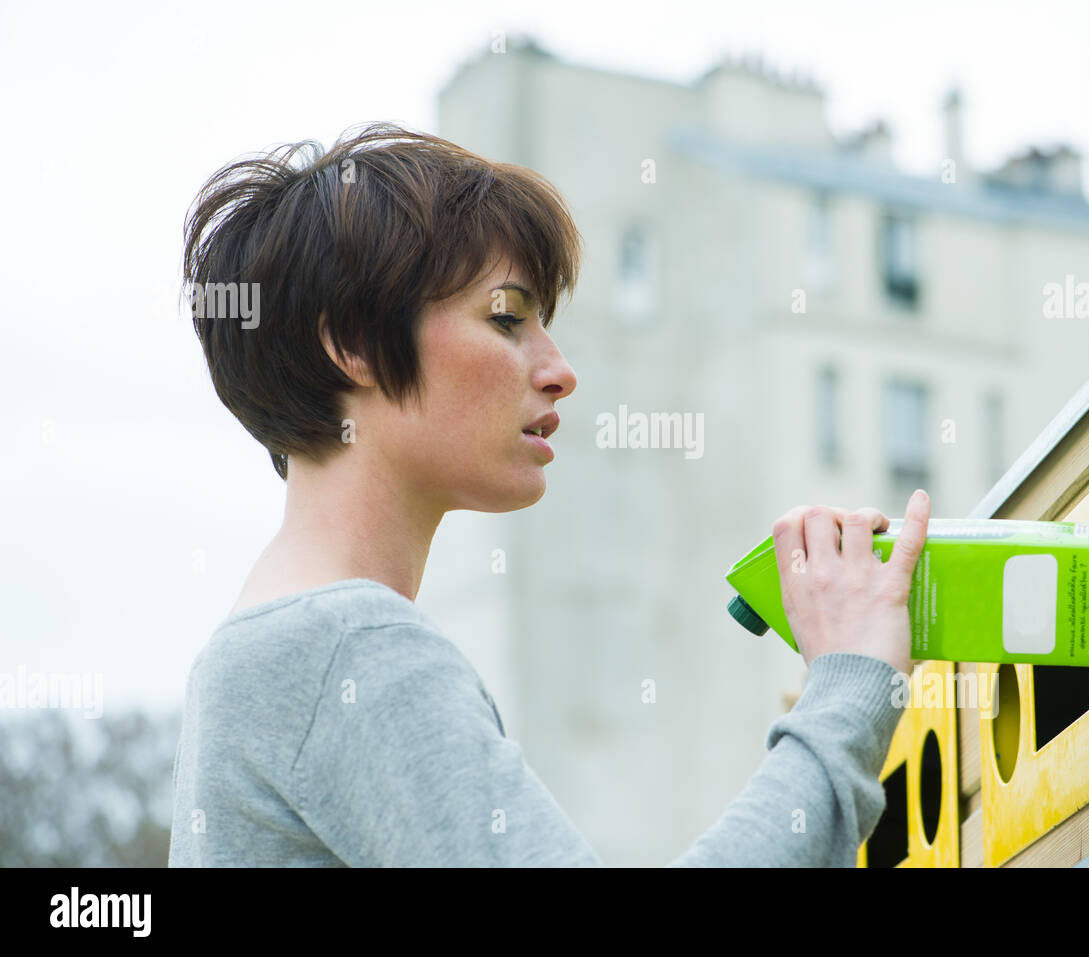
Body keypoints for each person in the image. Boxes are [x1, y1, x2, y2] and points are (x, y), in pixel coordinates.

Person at [168, 121, 931, 867]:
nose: (559, 368)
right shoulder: (346, 649)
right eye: (506, 317)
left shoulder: (252, 657)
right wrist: (850, 688)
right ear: (354, 345)